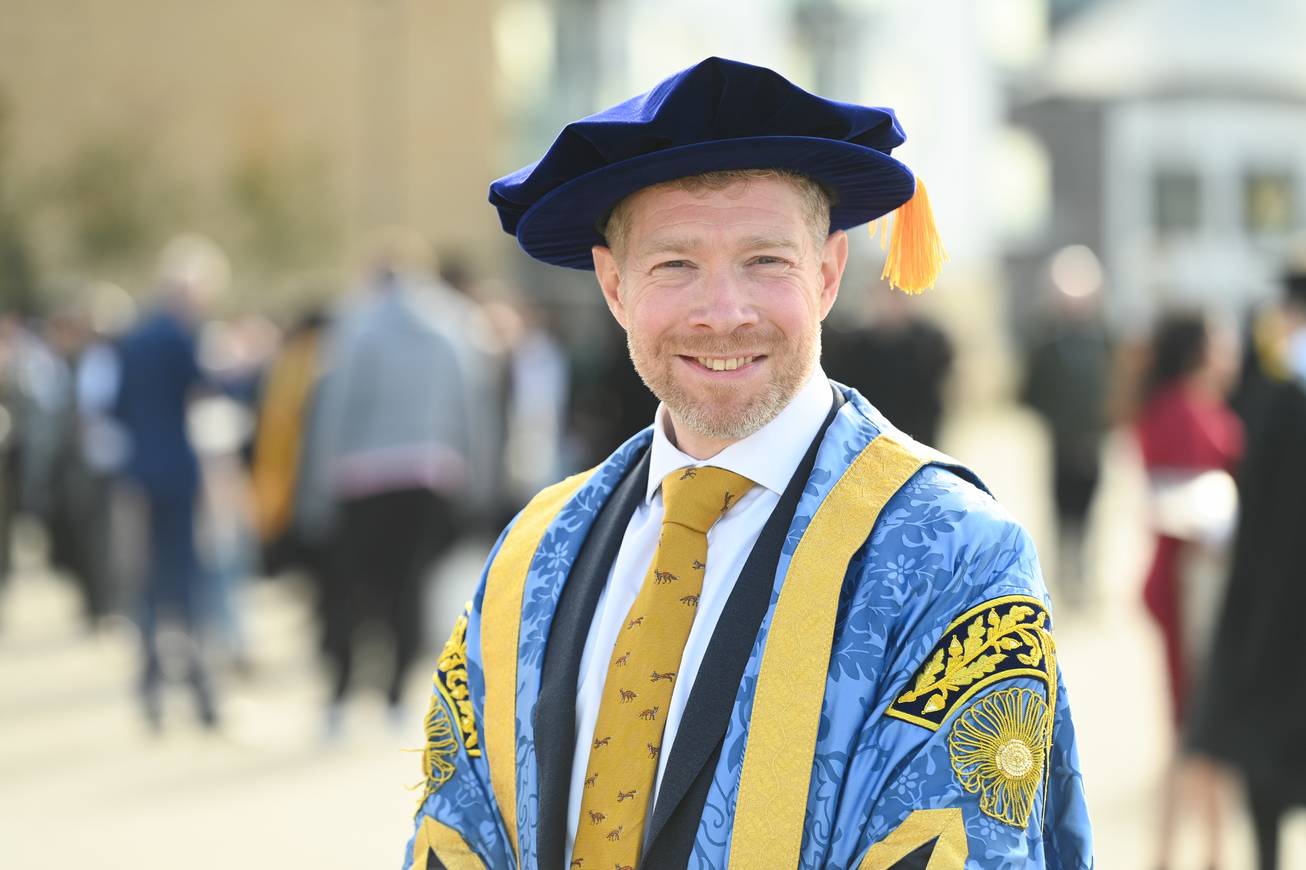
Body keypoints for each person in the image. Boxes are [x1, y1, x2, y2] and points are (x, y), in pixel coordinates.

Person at [402, 58, 1093, 869]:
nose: (723, 313)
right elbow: (459, 832)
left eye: (766, 260)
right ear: (615, 285)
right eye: (675, 265)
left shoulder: (950, 554)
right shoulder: (533, 554)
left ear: (829, 273)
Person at [303, 231, 476, 734]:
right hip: (428, 472)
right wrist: (475, 475)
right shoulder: (451, 326)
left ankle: (339, 693)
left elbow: (334, 410)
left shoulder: (356, 324)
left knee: (351, 587)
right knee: (410, 585)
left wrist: (316, 481)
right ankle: (397, 694)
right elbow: (467, 410)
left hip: (360, 475)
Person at [1188, 265, 1306, 870]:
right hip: (1278, 608)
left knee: (1269, 762)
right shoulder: (1273, 395)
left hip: (1274, 613)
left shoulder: (1275, 401)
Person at [1133, 311, 1243, 870]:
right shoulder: (1179, 409)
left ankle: (1209, 848)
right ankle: (1180, 851)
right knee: (1192, 724)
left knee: (1201, 722)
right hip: (1188, 581)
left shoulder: (1200, 402)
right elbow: (1173, 498)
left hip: (1201, 579)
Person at [112, 234, 228, 730]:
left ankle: (152, 684)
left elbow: (115, 407)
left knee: (147, 579)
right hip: (177, 473)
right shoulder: (180, 337)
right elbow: (208, 389)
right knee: (185, 579)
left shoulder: (133, 339)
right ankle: (200, 687)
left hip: (138, 472)